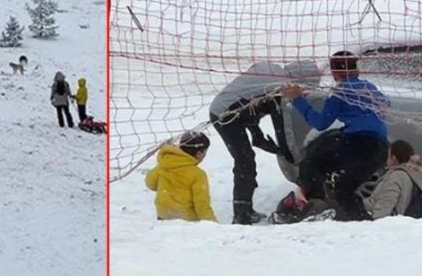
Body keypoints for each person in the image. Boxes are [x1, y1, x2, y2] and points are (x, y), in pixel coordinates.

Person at [280, 51, 390, 221]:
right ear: (357, 70)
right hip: (381, 149)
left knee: (311, 165)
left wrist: (298, 100)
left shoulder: (342, 91)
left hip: (359, 143)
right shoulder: (371, 88)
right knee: (344, 187)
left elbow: (321, 123)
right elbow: (384, 104)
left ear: (335, 73)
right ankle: (362, 222)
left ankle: (317, 207)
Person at [209, 61, 319, 225]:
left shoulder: (270, 70)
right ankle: (241, 215)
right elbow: (281, 126)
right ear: (300, 79)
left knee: (246, 160)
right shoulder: (279, 89)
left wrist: (256, 134)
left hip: (224, 109)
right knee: (244, 162)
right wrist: (287, 154)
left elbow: (249, 99)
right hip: (226, 115)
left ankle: (245, 209)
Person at [145, 131, 217, 222]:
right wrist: (213, 225)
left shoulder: (164, 164)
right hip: (187, 221)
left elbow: (150, 183)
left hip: (163, 216)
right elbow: (202, 205)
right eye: (205, 152)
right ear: (199, 153)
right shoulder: (197, 174)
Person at [363, 140, 422, 219]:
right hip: (407, 226)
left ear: (393, 158)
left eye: (388, 156)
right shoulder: (417, 178)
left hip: (389, 226)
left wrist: (377, 224)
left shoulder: (397, 176)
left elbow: (386, 203)